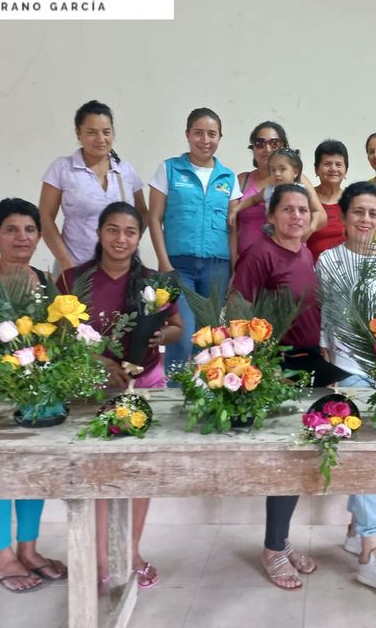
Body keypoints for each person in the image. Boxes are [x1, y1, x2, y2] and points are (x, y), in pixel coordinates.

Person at [58, 202, 183, 588]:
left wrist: (161, 335)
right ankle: (100, 562)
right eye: (113, 229)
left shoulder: (154, 282)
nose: (121, 239)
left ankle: (130, 552)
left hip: (144, 384)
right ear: (99, 232)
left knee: (140, 473)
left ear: (139, 238)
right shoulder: (73, 280)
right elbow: (61, 336)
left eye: (130, 232)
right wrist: (99, 362)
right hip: (92, 389)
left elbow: (177, 326)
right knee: (96, 475)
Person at [231, 184, 347, 589]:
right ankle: (272, 548)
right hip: (278, 368)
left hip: (308, 363)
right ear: (271, 216)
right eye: (288, 209)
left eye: (302, 209)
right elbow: (238, 314)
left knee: (301, 457)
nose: (297, 216)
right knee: (287, 459)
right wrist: (265, 368)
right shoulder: (259, 255)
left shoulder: (305, 253)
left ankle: (279, 541)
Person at [0, 198, 66, 592]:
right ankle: (3, 555)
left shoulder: (46, 281)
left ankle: (28, 549)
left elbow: (60, 337)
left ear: (39, 236)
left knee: (31, 471)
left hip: (37, 392)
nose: (21, 237)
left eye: (29, 229)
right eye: (11, 229)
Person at [316, 182, 376, 591]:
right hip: (346, 369)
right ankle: (370, 552)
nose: (366, 220)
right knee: (372, 451)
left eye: (373, 213)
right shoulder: (329, 260)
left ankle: (357, 530)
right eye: (359, 212)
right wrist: (326, 356)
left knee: (374, 450)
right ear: (344, 215)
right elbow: (323, 311)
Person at [147, 107, 241, 376]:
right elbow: (154, 218)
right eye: (198, 133)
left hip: (217, 269)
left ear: (220, 137)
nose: (205, 140)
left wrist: (235, 270)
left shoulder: (228, 177)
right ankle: (174, 393)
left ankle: (204, 393)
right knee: (181, 334)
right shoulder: (169, 169)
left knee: (207, 338)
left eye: (212, 134)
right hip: (179, 267)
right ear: (188, 134)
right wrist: (164, 263)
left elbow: (234, 229)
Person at [40, 100, 147, 274]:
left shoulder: (126, 170)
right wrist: (65, 261)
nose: (100, 139)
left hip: (122, 271)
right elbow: (45, 217)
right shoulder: (62, 168)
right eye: (92, 132)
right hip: (76, 268)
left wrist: (128, 243)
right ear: (78, 133)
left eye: (106, 132)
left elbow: (142, 212)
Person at [230, 121, 326, 257]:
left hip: (289, 257)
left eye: (274, 143)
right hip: (248, 261)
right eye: (260, 143)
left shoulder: (297, 180)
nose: (267, 148)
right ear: (253, 148)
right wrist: (234, 263)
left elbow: (321, 216)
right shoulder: (242, 180)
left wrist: (308, 230)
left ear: (284, 147)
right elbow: (232, 227)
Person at [307, 139, 350, 261]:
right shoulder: (305, 199)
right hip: (312, 268)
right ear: (316, 169)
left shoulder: (352, 201)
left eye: (339, 164)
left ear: (346, 170)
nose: (333, 169)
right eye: (327, 164)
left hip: (348, 269)